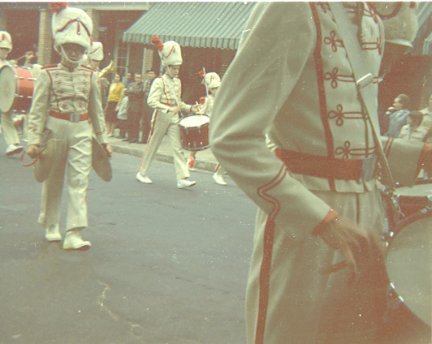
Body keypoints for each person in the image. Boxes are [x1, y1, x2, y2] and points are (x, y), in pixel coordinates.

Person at [210, 3, 425, 343]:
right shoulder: (290, 8)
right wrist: (322, 220)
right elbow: (231, 137)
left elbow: (349, 142)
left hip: (367, 212)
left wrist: (419, 156)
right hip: (308, 215)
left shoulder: (369, 17)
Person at [26, 4, 111, 250]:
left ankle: (74, 232)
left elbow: (97, 110)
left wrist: (103, 139)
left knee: (80, 180)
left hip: (82, 130)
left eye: (78, 47)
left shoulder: (91, 76)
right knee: (53, 178)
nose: (73, 52)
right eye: (69, 47)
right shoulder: (47, 74)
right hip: (55, 129)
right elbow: (38, 110)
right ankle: (51, 224)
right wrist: (33, 140)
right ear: (59, 47)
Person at [136, 36, 197, 189]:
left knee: (178, 147)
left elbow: (178, 102)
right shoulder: (159, 81)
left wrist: (190, 108)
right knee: (153, 144)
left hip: (174, 117)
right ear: (166, 67)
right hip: (161, 116)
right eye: (173, 68)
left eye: (178, 68)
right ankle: (142, 172)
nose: (176, 71)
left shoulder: (178, 82)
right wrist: (168, 109)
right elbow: (151, 101)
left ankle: (182, 178)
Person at [188, 70, 227, 185]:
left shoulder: (222, 99)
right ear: (210, 89)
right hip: (209, 124)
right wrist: (199, 109)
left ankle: (219, 171)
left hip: (219, 125)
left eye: (218, 88)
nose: (216, 91)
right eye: (214, 89)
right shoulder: (208, 100)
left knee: (224, 148)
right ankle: (190, 159)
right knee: (199, 144)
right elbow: (201, 112)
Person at [0, 30, 24, 156]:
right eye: (2, 48)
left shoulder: (6, 64)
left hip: (2, 96)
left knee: (6, 118)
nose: (5, 51)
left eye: (6, 49)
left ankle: (13, 144)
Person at [124, 73, 145, 143]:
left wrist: (131, 91)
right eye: (136, 78)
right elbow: (126, 92)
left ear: (141, 79)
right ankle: (129, 136)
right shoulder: (131, 84)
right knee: (129, 121)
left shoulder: (142, 85)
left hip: (137, 107)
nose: (138, 79)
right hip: (130, 105)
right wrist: (131, 91)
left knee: (135, 122)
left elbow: (139, 93)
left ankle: (135, 137)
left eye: (139, 78)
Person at [141, 68, 157, 143]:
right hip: (145, 102)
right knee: (145, 121)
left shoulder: (156, 82)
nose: (150, 75)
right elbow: (143, 91)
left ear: (155, 75)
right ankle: (144, 138)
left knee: (151, 121)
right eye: (149, 73)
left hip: (152, 103)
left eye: (152, 73)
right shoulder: (146, 82)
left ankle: (151, 139)